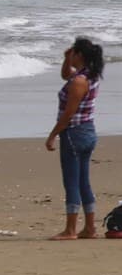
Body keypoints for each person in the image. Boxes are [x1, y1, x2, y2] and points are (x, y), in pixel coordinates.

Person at [45, 37, 104, 241]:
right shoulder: (88, 75)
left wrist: (52, 136)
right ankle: (89, 228)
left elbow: (68, 114)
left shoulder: (79, 81)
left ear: (79, 55)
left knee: (72, 181)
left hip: (74, 133)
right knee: (83, 181)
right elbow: (65, 75)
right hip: (87, 131)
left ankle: (70, 229)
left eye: (73, 53)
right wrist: (66, 59)